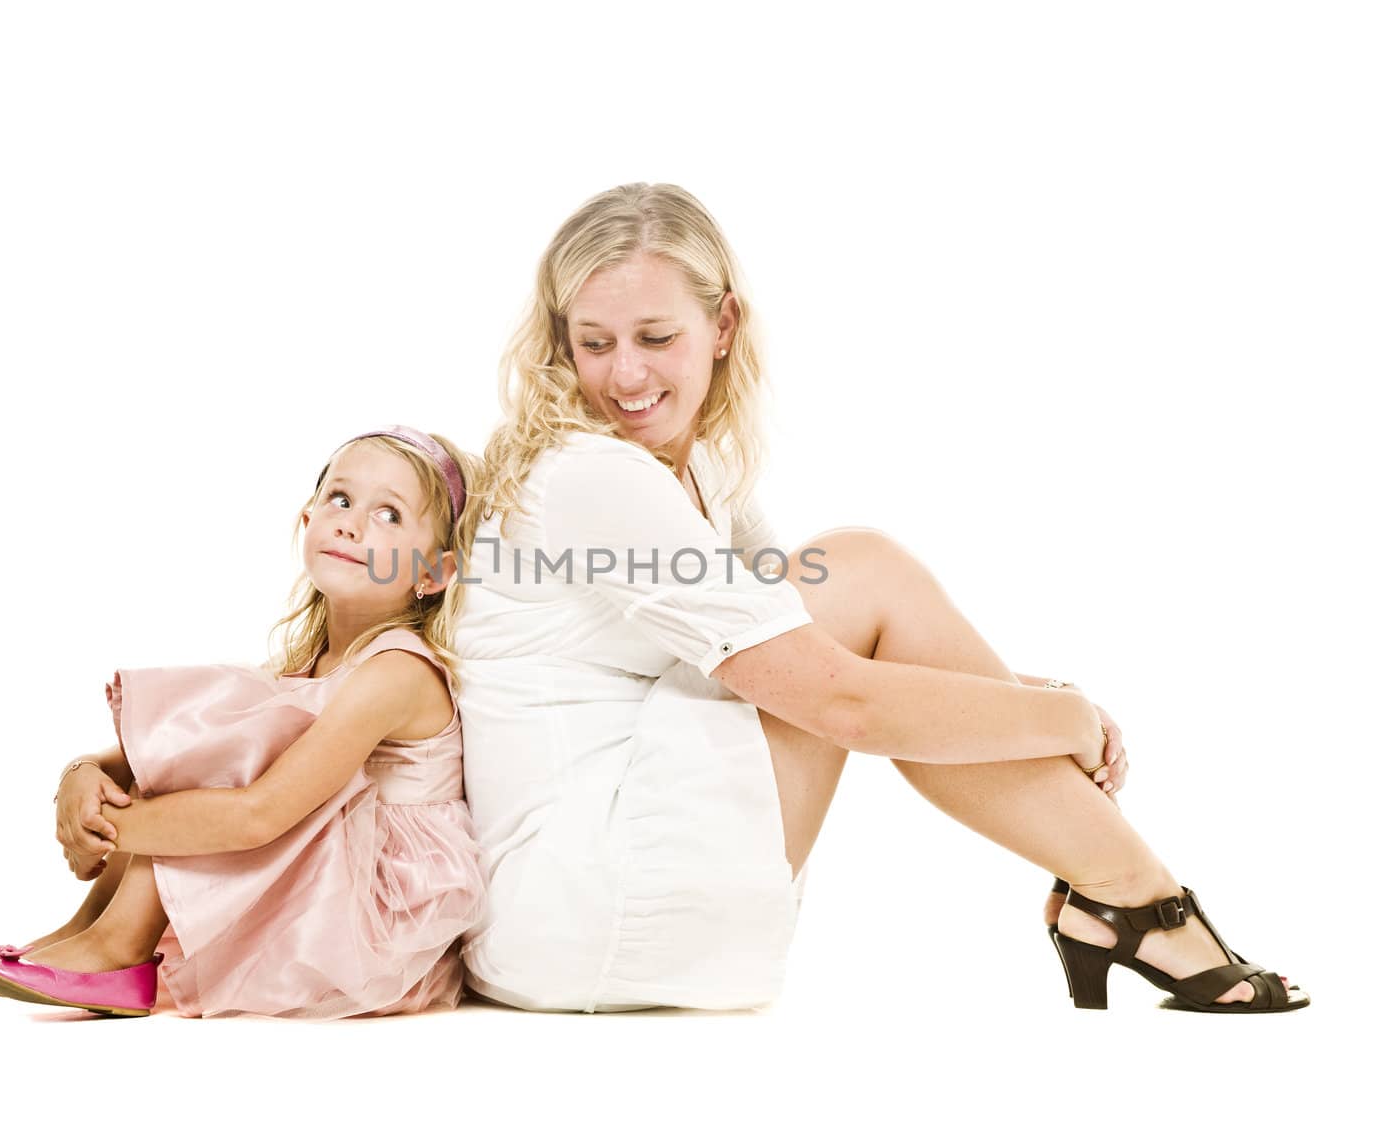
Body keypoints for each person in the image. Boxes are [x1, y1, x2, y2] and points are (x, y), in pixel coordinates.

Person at [449, 183, 1306, 1015]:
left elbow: (832, 649)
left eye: (654, 335)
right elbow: (842, 701)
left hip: (582, 908)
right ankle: (1140, 901)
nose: (623, 373)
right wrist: (1068, 718)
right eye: (593, 343)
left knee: (857, 589)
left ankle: (1124, 899)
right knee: (860, 570)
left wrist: (1025, 699)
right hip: (586, 901)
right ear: (560, 343)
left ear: (722, 325)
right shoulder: (590, 474)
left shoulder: (695, 466)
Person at [0, 426, 488, 1018]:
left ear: (433, 573)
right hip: (330, 881)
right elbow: (176, 748)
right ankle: (87, 929)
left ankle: (117, 950)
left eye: (388, 514)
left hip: (381, 924)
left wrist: (109, 827)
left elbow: (262, 814)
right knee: (211, 745)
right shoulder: (311, 665)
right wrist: (80, 776)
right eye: (340, 499)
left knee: (222, 784)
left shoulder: (396, 671)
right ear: (307, 520)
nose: (351, 524)